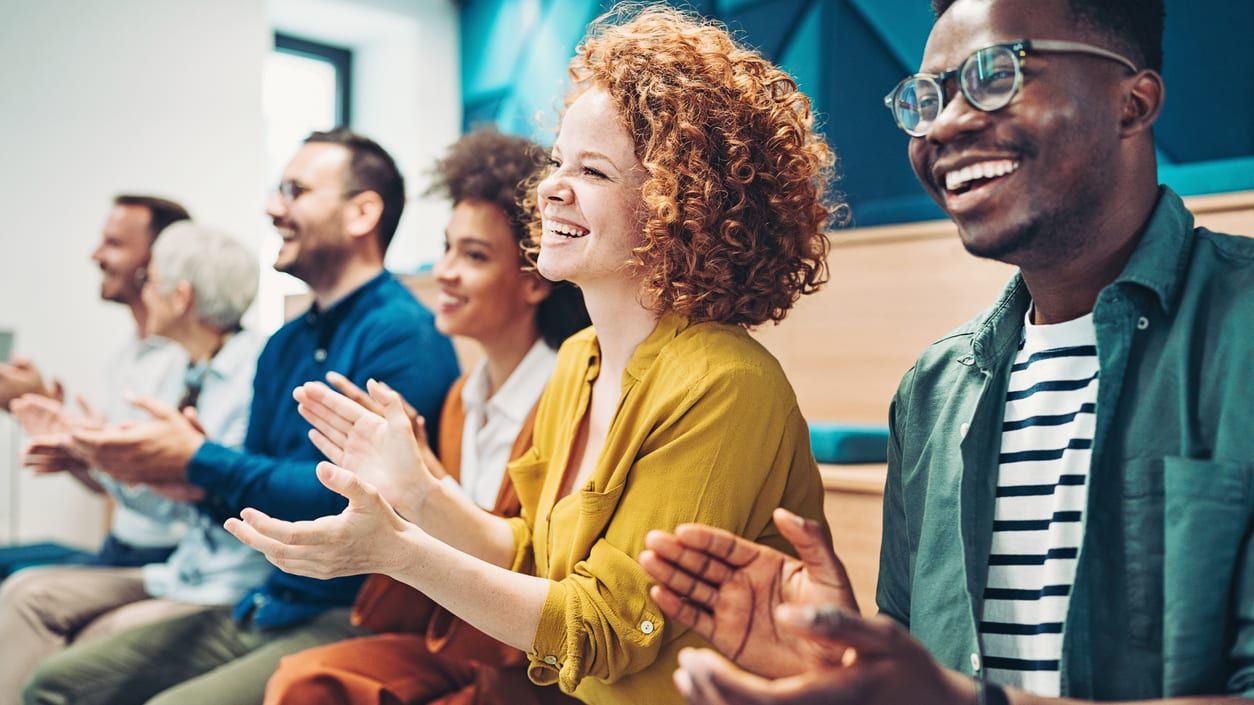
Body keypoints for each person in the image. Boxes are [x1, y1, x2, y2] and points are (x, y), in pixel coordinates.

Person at [640, 0, 1254, 703]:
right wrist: (839, 657)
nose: (947, 124)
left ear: (1133, 101)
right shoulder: (933, 390)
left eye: (995, 73)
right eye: (927, 98)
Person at [227, 7, 838, 705]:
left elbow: (603, 627)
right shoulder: (579, 359)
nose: (550, 188)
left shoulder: (726, 383)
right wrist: (420, 493)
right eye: (557, 162)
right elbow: (531, 555)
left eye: (593, 171)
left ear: (680, 206)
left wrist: (397, 549)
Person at [22, 129, 461, 705]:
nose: (272, 207)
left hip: (347, 609)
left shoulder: (405, 336)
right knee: (54, 684)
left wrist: (201, 460)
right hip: (271, 598)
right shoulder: (283, 345)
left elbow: (347, 502)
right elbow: (255, 492)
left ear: (362, 213)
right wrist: (180, 478)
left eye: (294, 191)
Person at [262, 128, 590, 705]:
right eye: (446, 248)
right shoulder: (465, 395)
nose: (444, 272)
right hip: (458, 630)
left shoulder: (568, 398)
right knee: (304, 683)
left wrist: (423, 480)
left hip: (528, 654)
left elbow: (535, 566)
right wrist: (420, 472)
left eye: (474, 255)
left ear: (535, 280)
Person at [0, 222, 270, 704]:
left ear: (181, 297)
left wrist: (108, 457)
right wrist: (92, 453)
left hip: (227, 582)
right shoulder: (179, 370)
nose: (146, 292)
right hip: (182, 569)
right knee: (23, 591)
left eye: (152, 280)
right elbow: (165, 504)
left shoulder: (258, 375)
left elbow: (230, 495)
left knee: (94, 641)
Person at [0, 194, 191, 579]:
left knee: (20, 582)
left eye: (114, 244)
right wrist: (47, 421)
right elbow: (105, 482)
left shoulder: (187, 362)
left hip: (161, 555)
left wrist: (77, 437)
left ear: (156, 262)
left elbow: (156, 486)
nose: (95, 255)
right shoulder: (127, 356)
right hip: (118, 546)